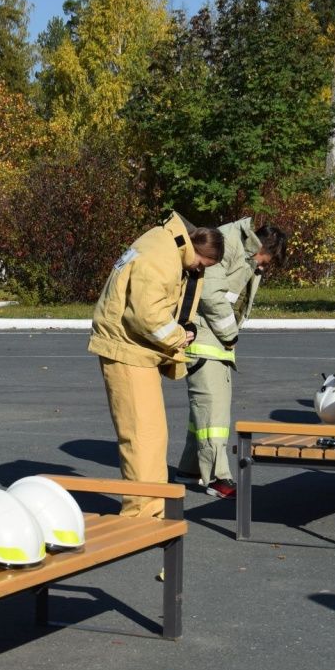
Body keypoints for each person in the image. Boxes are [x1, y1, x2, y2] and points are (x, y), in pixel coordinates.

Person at [89, 212, 225, 518]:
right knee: (140, 436)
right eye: (203, 265)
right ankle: (141, 513)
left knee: (151, 435)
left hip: (133, 350)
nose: (198, 270)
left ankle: (150, 507)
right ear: (199, 252)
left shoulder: (165, 244)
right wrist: (180, 336)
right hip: (126, 350)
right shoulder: (162, 256)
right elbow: (147, 316)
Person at [176, 219, 287, 499]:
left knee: (203, 410)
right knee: (215, 412)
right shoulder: (229, 243)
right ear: (265, 247)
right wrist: (229, 334)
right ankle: (216, 478)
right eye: (267, 262)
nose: (263, 268)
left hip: (212, 341)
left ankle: (190, 468)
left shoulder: (247, 251)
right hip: (206, 340)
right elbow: (211, 295)